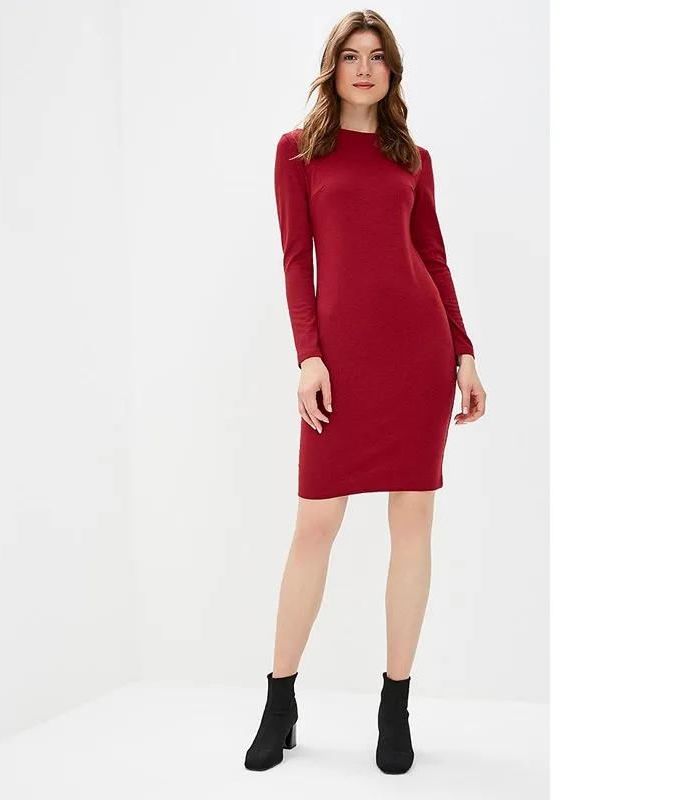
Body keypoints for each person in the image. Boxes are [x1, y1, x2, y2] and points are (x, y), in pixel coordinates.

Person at [244, 10, 486, 774]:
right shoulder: (297, 153)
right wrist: (308, 358)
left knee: (412, 523)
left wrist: (464, 351)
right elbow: (296, 261)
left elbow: (434, 258)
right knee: (314, 527)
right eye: (350, 55)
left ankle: (395, 705)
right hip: (339, 369)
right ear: (333, 66)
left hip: (417, 356)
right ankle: (279, 699)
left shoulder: (413, 159)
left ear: (391, 72)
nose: (363, 68)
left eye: (376, 57)